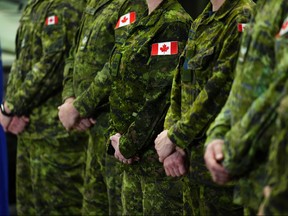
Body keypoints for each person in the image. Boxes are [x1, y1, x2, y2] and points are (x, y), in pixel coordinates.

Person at [58, 0, 191, 214]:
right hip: (128, 153)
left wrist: (126, 145)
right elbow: (118, 80)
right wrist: (116, 135)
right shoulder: (143, 20)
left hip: (152, 158)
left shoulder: (173, 22)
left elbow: (159, 98)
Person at [154, 0, 255, 215]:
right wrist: (172, 138)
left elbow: (220, 89)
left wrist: (175, 137)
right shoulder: (202, 20)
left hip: (222, 170)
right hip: (191, 167)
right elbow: (180, 82)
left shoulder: (242, 17)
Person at [58, 0, 147, 215]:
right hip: (92, 128)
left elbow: (120, 62)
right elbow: (74, 55)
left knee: (117, 206)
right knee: (93, 207)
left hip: (115, 126)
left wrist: (80, 107)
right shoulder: (93, 3)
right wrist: (70, 99)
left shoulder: (132, 4)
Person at [0, 0, 86, 215]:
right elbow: (22, 63)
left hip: (56, 134)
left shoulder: (65, 5)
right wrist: (11, 108)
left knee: (58, 206)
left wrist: (12, 108)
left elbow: (51, 65)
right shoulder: (35, 4)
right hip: (29, 128)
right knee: (28, 206)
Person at [204, 0, 288, 214]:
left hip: (276, 178)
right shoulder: (265, 5)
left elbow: (282, 89)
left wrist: (232, 147)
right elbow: (243, 82)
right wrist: (217, 134)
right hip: (254, 181)